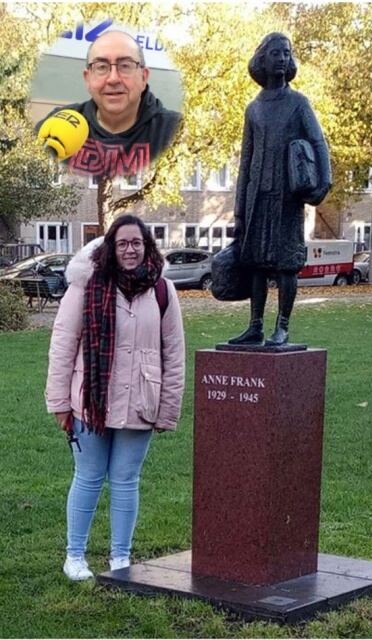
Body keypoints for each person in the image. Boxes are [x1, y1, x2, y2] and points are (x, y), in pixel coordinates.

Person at [45, 215, 185, 580]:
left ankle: (120, 557)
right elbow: (63, 344)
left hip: (140, 400)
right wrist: (59, 402)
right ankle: (74, 556)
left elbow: (174, 352)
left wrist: (168, 409)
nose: (129, 249)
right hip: (89, 400)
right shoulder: (86, 286)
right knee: (89, 477)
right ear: (111, 246)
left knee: (125, 480)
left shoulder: (162, 289)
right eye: (122, 243)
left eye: (136, 242)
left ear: (147, 246)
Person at [227, 32, 331, 347]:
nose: (283, 58)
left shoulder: (299, 103)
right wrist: (239, 210)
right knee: (256, 263)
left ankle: (282, 326)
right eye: (276, 53)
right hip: (258, 195)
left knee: (287, 264)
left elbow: (318, 142)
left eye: (286, 53)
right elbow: (246, 162)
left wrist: (323, 181)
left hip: (287, 198)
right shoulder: (254, 109)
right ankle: (255, 324)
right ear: (263, 59)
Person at [41, 30, 181, 179]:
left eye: (125, 66)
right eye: (101, 67)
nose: (113, 79)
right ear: (88, 79)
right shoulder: (58, 122)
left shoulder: (175, 131)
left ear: (143, 77)